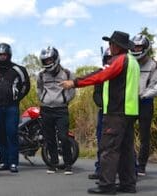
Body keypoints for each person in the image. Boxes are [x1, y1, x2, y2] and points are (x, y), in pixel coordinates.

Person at [60, 30, 140, 194]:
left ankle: (106, 185)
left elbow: (100, 75)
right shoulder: (133, 61)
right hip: (130, 112)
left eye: (111, 44)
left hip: (116, 112)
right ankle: (128, 184)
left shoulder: (119, 60)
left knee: (108, 150)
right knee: (126, 150)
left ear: (117, 46)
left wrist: (74, 83)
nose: (109, 47)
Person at [0, 43, 30, 173]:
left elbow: (26, 85)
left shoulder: (19, 69)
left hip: (12, 106)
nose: (2, 57)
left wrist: (17, 98)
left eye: (4, 55)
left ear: (9, 55)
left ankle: (13, 163)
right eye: (0, 55)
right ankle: (4, 161)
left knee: (12, 133)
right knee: (1, 134)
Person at [36, 46, 76, 175]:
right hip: (46, 109)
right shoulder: (41, 75)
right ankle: (53, 164)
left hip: (61, 110)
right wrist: (44, 99)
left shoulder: (67, 73)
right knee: (49, 138)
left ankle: (68, 164)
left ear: (56, 58)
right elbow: (39, 89)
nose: (48, 63)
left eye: (49, 60)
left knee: (63, 137)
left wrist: (64, 100)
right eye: (45, 61)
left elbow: (72, 90)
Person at [131, 33, 157, 176]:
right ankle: (129, 163)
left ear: (145, 47)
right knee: (126, 134)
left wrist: (142, 95)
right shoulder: (130, 63)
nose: (137, 49)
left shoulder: (154, 65)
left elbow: (155, 87)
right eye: (135, 47)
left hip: (145, 103)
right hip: (129, 103)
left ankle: (141, 166)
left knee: (144, 136)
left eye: (139, 47)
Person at [88, 48, 112, 180]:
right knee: (102, 141)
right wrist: (102, 104)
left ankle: (132, 169)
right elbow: (96, 93)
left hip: (119, 113)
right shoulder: (100, 74)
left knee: (124, 143)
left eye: (111, 58)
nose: (109, 60)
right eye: (107, 58)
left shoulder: (122, 72)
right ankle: (100, 169)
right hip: (104, 112)